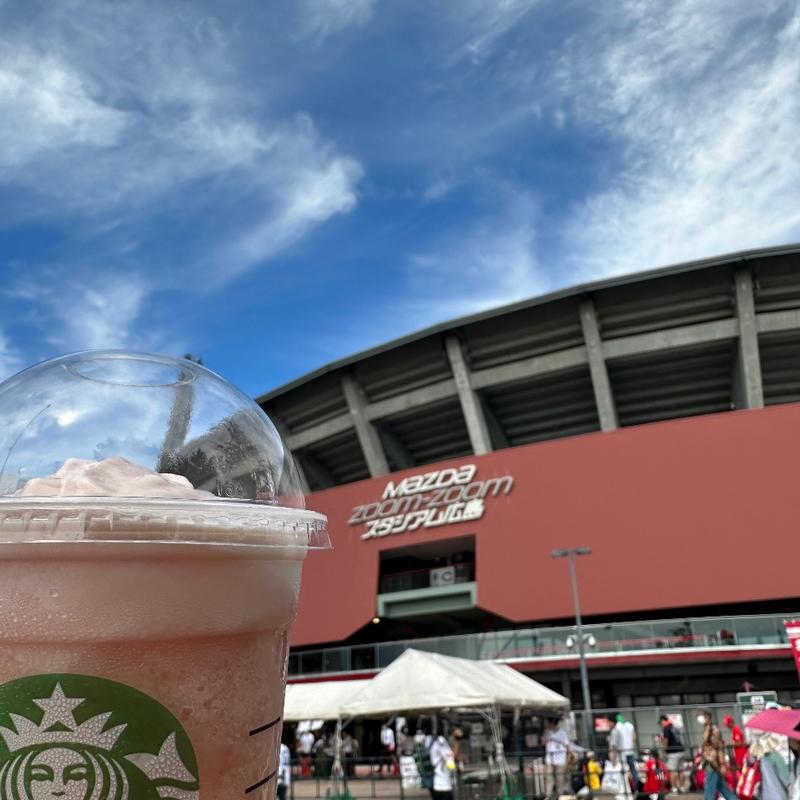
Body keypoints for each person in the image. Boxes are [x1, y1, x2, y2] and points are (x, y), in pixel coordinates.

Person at [697, 709, 737, 800]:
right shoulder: (707, 729)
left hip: (713, 763)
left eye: (701, 716)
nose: (699, 718)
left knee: (709, 790)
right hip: (711, 762)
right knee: (724, 789)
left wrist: (722, 764)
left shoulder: (713, 730)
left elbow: (719, 748)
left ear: (707, 717)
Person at [751, 733, 791, 800]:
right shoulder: (775, 756)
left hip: (764, 797)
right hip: (779, 796)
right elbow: (786, 781)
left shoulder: (754, 760)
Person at [609, 714, 639, 788]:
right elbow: (634, 738)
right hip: (630, 750)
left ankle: (624, 788)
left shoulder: (617, 727)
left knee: (622, 771)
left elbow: (615, 744)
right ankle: (637, 786)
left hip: (621, 753)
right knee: (633, 769)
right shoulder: (630, 725)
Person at [544, 717, 572, 798]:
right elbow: (543, 742)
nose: (547, 725)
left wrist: (567, 758)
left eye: (548, 723)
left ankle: (560, 795)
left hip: (560, 759)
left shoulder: (563, 733)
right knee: (548, 777)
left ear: (552, 723)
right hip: (549, 758)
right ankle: (548, 795)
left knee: (560, 778)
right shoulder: (547, 732)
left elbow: (567, 746)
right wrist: (545, 734)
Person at [659, 715, 684, 792]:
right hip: (681, 750)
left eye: (661, 723)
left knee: (673, 771)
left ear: (663, 721)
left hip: (673, 752)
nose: (661, 725)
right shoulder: (674, 727)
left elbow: (666, 740)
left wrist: (664, 751)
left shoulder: (666, 728)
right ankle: (682, 787)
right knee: (681, 770)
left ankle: (674, 788)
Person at [429, 732, 456, 800]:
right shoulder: (442, 743)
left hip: (437, 785)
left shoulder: (434, 745)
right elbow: (450, 764)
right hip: (444, 786)